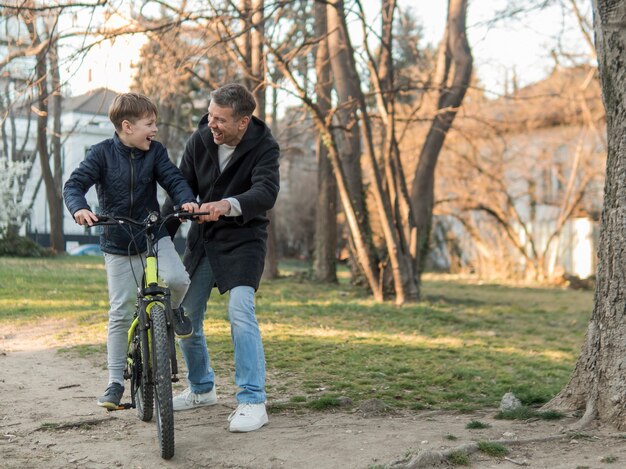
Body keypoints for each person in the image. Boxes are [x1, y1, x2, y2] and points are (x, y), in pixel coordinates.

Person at [63, 92, 199, 409]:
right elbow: (74, 185)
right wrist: (79, 208)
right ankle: (114, 383)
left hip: (152, 235)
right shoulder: (100, 154)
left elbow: (174, 179)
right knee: (120, 311)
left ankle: (174, 310)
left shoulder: (156, 153)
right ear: (127, 126)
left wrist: (186, 199)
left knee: (178, 280)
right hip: (117, 243)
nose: (154, 130)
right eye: (149, 124)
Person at [165, 83, 279, 433]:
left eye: (220, 120)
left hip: (244, 239)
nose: (211, 124)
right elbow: (181, 188)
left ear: (243, 122)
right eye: (210, 115)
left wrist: (227, 205)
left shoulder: (264, 146)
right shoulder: (199, 140)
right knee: (185, 315)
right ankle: (202, 389)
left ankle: (252, 400)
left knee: (240, 311)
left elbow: (266, 191)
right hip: (204, 240)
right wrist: (160, 238)